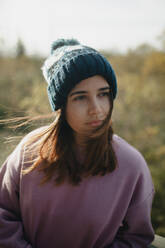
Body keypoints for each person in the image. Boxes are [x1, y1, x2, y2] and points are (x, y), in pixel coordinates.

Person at [0, 38, 155, 248]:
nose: (96, 109)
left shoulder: (131, 164)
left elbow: (135, 237)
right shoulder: (29, 152)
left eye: (103, 94)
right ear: (61, 106)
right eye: (80, 97)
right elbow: (4, 214)